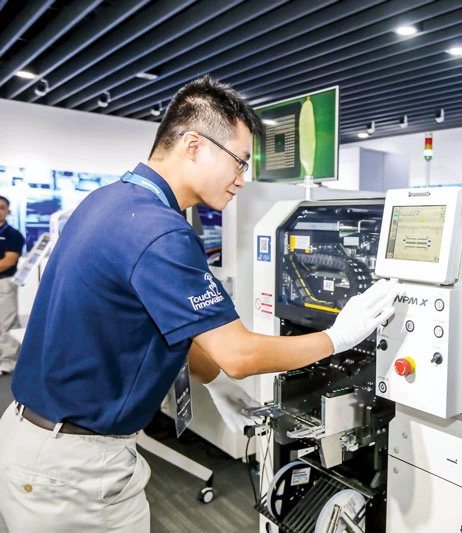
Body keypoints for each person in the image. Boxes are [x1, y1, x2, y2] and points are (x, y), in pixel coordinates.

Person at [0, 76, 398, 532]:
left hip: (32, 440)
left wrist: (213, 382)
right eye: (239, 162)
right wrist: (338, 336)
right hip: (74, 470)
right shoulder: (161, 231)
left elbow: (161, 325)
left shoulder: (108, 202)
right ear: (193, 145)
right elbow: (242, 354)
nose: (242, 180)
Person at [0, 195, 24, 375]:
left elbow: (9, 261)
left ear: (8, 211)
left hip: (4, 284)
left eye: (2, 207)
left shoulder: (13, 235)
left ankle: (8, 362)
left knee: (6, 324)